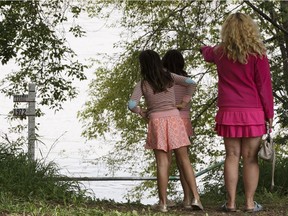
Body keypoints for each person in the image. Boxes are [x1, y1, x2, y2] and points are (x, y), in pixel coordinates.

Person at [200, 12, 274, 213]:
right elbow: (264, 87)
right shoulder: (258, 54)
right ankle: (250, 204)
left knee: (231, 156)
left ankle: (231, 203)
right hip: (253, 112)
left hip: (229, 111)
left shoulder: (219, 52)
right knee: (250, 158)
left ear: (227, 30)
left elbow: (206, 52)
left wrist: (202, 46)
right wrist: (270, 115)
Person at [128, 50, 203, 212]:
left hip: (156, 121)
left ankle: (162, 203)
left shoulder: (143, 83)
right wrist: (184, 102)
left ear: (143, 65)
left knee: (163, 163)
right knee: (184, 160)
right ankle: (196, 198)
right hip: (175, 119)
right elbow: (191, 82)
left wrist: (142, 112)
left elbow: (131, 105)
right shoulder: (169, 76)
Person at [162, 49, 200, 209]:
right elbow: (190, 93)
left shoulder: (164, 80)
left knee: (165, 160)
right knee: (184, 161)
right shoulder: (186, 80)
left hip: (169, 119)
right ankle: (188, 198)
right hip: (184, 120)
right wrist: (184, 102)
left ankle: (163, 199)